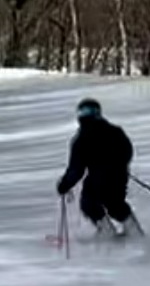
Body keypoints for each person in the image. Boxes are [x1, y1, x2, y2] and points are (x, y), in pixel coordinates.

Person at [55, 95, 136, 233]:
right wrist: (120, 164)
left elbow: (76, 169)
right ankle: (133, 230)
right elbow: (127, 151)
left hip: (99, 177)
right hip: (118, 175)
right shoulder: (115, 131)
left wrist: (65, 184)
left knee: (90, 204)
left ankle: (107, 232)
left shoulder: (81, 139)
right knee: (114, 203)